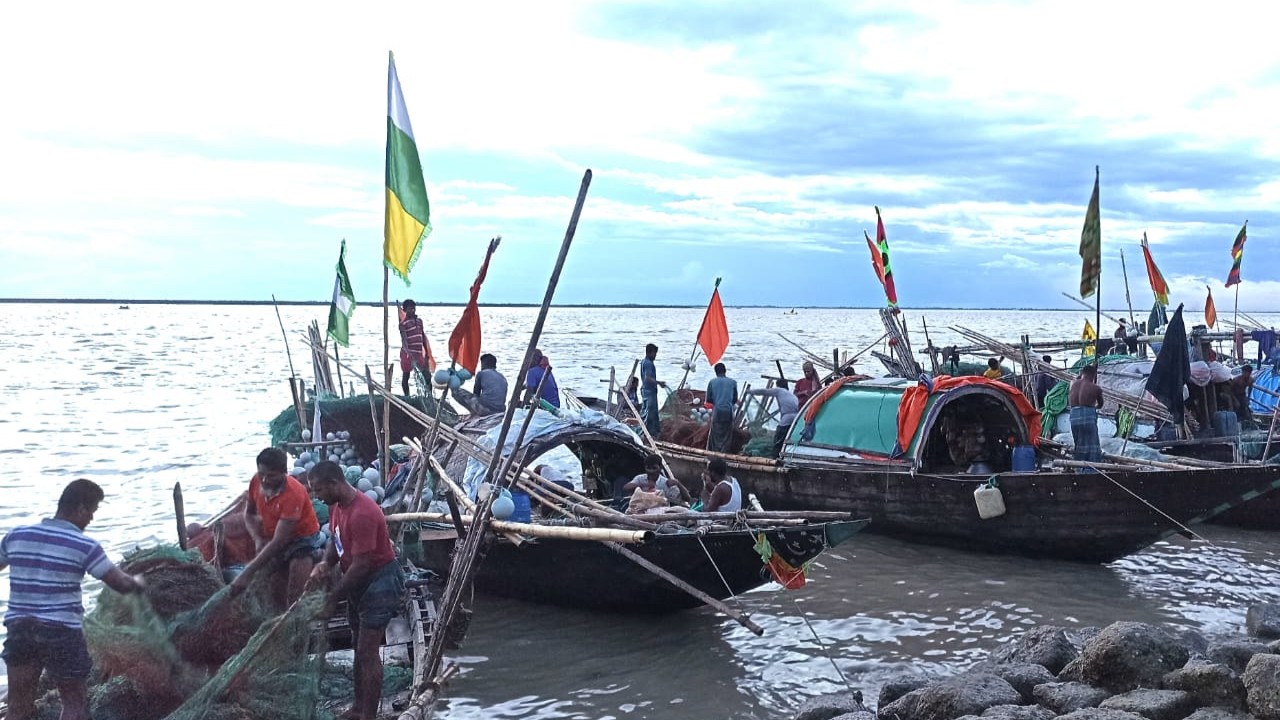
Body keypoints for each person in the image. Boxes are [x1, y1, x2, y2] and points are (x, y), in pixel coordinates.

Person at [1, 479, 146, 720]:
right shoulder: (84, 545)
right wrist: (140, 582)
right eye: (91, 511)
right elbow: (120, 584)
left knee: (17, 707)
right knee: (74, 706)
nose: (91, 519)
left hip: (20, 629)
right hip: (61, 633)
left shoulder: (17, 535)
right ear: (79, 508)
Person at [308, 461, 403, 720]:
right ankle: (359, 708)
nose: (316, 496)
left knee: (368, 651)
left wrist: (333, 599)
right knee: (357, 646)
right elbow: (336, 543)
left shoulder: (363, 512)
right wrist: (325, 564)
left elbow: (362, 565)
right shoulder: (336, 505)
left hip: (380, 579)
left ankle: (368, 715)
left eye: (318, 490)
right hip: (359, 582)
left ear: (333, 484)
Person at [233, 448, 324, 608]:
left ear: (284, 473)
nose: (265, 480)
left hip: (301, 539)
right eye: (262, 474)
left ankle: (317, 557)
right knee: (275, 592)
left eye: (271, 475)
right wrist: (258, 539)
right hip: (272, 535)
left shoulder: (293, 493)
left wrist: (247, 573)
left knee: (295, 594)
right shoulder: (256, 481)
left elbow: (280, 541)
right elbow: (249, 515)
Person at [745, 379, 800, 458]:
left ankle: (774, 458)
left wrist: (750, 391)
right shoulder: (792, 395)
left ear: (778, 385)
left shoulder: (779, 390)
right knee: (786, 438)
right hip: (796, 418)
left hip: (787, 417)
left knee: (778, 438)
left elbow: (764, 391)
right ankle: (784, 456)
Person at [1069, 364, 1104, 465]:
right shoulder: (1096, 388)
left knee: (1078, 443)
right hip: (1088, 416)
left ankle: (1079, 465)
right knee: (1092, 444)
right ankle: (1091, 467)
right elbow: (1100, 404)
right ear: (1093, 375)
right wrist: (1095, 408)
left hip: (1074, 416)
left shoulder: (1073, 384)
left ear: (1082, 373)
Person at [622, 454, 691, 506]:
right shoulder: (640, 478)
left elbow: (687, 499)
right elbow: (625, 488)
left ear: (660, 468)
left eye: (654, 468)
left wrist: (678, 483)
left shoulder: (665, 483)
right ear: (645, 468)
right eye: (648, 468)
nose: (651, 471)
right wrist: (644, 485)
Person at [705, 362, 739, 453]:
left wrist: (717, 402)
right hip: (728, 411)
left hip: (717, 411)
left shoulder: (712, 382)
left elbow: (708, 399)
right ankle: (724, 453)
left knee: (715, 433)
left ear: (715, 372)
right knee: (727, 434)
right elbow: (735, 399)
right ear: (725, 371)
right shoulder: (733, 382)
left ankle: (715, 453)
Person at [398, 299, 428, 396]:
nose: (413, 311)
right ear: (405, 310)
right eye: (410, 309)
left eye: (413, 308)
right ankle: (407, 396)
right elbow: (404, 341)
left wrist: (426, 354)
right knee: (406, 376)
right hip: (407, 354)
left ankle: (429, 396)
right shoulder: (403, 324)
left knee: (427, 376)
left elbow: (423, 338)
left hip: (418, 353)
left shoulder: (419, 321)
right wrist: (409, 354)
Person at [639, 343, 664, 439]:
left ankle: (647, 432)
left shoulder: (644, 361)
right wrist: (659, 383)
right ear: (650, 352)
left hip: (645, 390)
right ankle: (649, 435)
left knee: (645, 411)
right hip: (649, 392)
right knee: (650, 414)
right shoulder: (648, 363)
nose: (655, 356)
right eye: (655, 353)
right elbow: (648, 378)